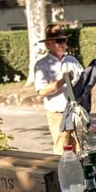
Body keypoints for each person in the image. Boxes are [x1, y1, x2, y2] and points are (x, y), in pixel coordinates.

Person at [34, 24, 84, 155]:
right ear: (48, 44)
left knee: (79, 148)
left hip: (75, 112)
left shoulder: (72, 60)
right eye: (58, 40)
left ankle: (79, 175)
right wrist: (62, 81)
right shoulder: (41, 64)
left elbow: (83, 83)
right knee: (62, 150)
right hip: (57, 114)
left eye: (64, 40)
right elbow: (41, 91)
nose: (62, 43)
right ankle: (60, 175)